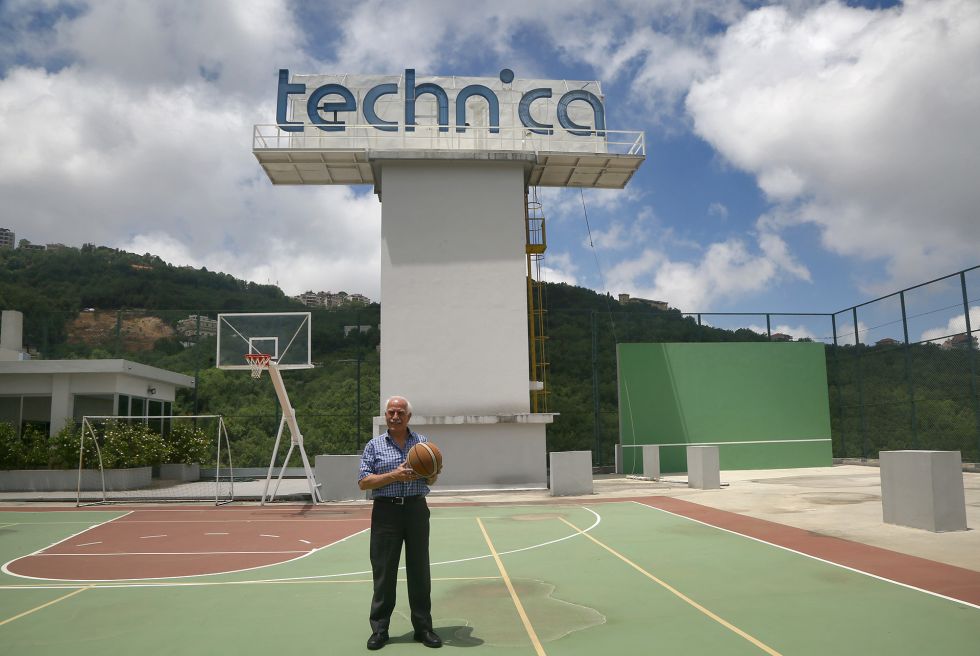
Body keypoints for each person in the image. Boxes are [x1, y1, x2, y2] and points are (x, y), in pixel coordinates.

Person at [358, 396, 442, 650]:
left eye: (400, 412)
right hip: (386, 512)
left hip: (416, 509)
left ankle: (423, 628)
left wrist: (429, 472)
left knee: (419, 570)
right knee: (384, 572)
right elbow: (363, 482)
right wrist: (394, 475)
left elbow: (432, 481)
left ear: (409, 417)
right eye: (391, 412)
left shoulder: (423, 444)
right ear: (385, 415)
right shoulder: (374, 445)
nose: (395, 416)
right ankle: (380, 630)